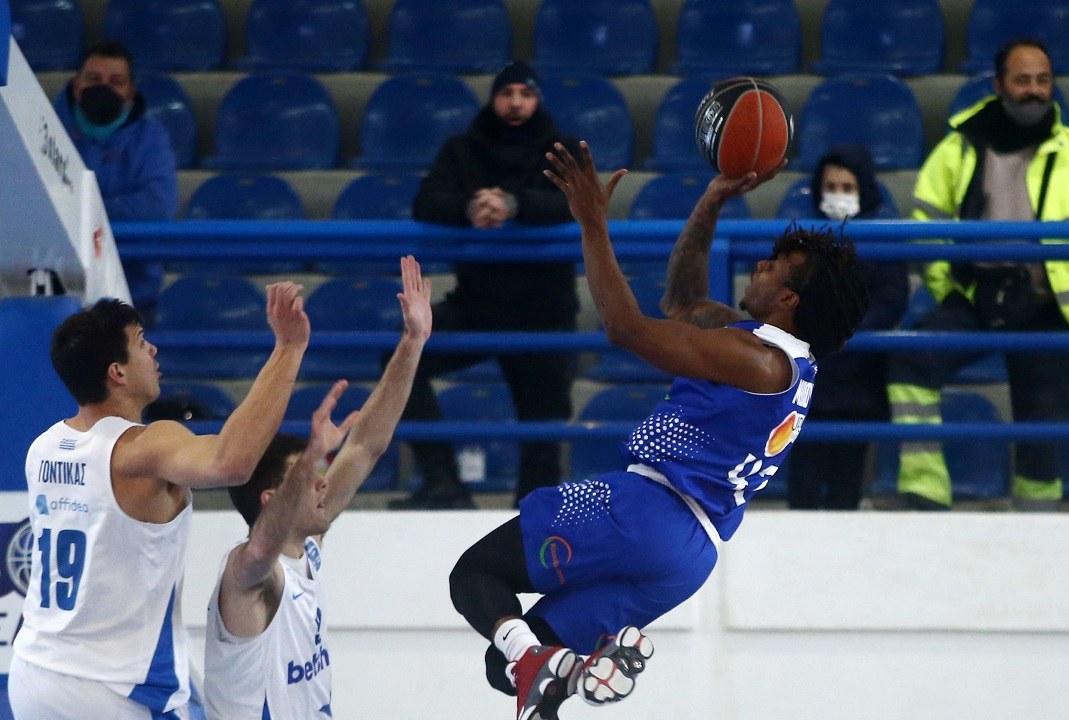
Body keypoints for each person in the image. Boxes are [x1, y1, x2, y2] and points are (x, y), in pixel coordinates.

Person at [447, 141, 868, 720]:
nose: (760, 266)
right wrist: (711, 201)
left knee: (475, 573)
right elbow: (683, 300)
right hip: (689, 557)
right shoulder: (784, 364)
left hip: (646, 509)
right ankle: (572, 671)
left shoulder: (755, 359)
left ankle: (549, 665)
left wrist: (592, 222)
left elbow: (625, 327)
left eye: (773, 267)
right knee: (508, 662)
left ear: (789, 299)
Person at [8, 283, 311, 719]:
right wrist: (288, 349)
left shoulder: (44, 447)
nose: (153, 350)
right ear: (117, 372)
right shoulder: (142, 447)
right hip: (112, 688)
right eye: (140, 342)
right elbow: (233, 462)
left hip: (33, 670)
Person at [889, 38, 1069, 511]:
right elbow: (926, 227)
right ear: (999, 85)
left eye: (1043, 80)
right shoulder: (957, 149)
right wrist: (952, 287)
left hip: (1054, 308)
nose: (1034, 90)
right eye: (1022, 80)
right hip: (976, 298)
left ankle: (1039, 527)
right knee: (910, 363)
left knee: (1043, 433)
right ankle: (925, 494)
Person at [203, 256, 432, 719]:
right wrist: (310, 456)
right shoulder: (250, 576)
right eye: (310, 478)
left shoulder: (307, 547)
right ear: (271, 500)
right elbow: (260, 548)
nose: (322, 482)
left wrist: (413, 342)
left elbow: (366, 445)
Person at [389, 60, 581, 510]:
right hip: (477, 304)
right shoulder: (461, 149)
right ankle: (443, 482)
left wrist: (515, 205)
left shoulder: (563, 149)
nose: (515, 103)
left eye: (525, 94)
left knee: (542, 429)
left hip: (543, 311)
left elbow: (579, 202)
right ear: (493, 98)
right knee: (398, 362)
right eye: (506, 93)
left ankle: (534, 517)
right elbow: (426, 202)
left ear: (538, 100)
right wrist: (469, 206)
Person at [786, 144, 909, 510]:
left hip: (859, 378)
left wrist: (845, 332)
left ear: (864, 189)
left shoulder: (885, 237)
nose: (838, 195)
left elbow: (891, 299)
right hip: (807, 379)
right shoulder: (799, 238)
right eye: (831, 187)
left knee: (847, 488)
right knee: (803, 486)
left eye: (847, 187)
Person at [54, 40, 178, 321]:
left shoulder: (151, 137)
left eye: (116, 81)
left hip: (135, 294)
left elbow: (158, 205)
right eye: (94, 79)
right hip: (58, 294)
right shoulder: (46, 130)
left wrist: (82, 209)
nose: (104, 88)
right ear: (76, 84)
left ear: (130, 92)